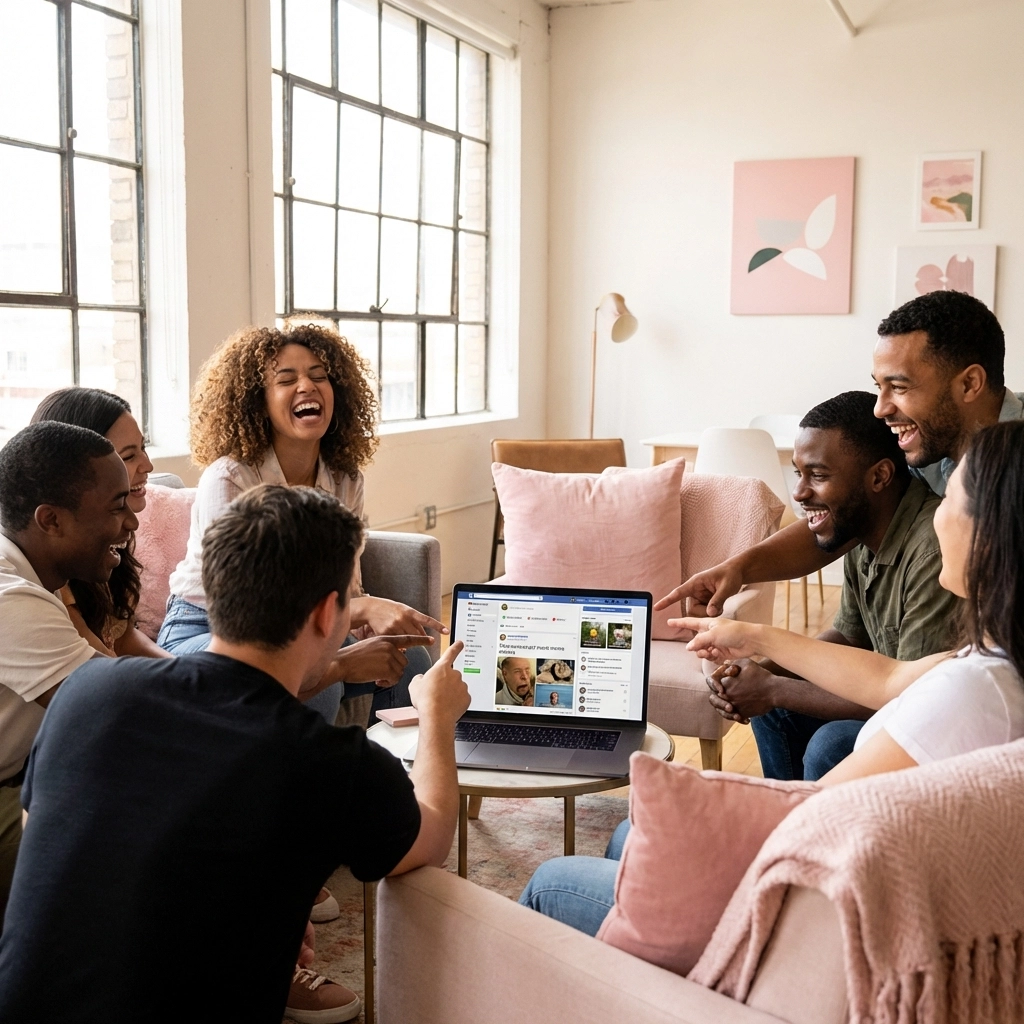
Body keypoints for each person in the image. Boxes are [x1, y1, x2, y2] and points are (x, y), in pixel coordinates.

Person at [520, 420, 1024, 936]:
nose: (935, 514)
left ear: (994, 531)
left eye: (950, 499)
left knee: (554, 878)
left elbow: (807, 817)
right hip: (843, 873)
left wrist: (687, 802)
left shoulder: (973, 692)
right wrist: (754, 639)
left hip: (803, 913)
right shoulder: (995, 665)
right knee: (629, 835)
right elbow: (889, 677)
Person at [0, 484, 470, 1024]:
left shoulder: (92, 690)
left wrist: (252, 906)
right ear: (326, 615)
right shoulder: (329, 760)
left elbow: (57, 841)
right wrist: (435, 717)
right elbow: (429, 839)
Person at [657, 291, 1022, 620]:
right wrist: (738, 568)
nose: (880, 409)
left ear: (969, 384)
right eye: (879, 386)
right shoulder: (929, 444)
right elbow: (847, 518)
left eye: (899, 387)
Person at [158, 323, 443, 730]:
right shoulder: (230, 478)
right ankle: (302, 790)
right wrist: (359, 617)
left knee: (409, 658)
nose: (307, 386)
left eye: (319, 376)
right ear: (258, 401)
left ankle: (385, 783)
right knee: (313, 673)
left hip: (310, 630)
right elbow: (253, 604)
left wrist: (368, 620)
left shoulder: (345, 477)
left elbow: (346, 584)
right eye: (286, 379)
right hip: (211, 629)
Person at [706, 392, 960, 781]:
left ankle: (820, 834)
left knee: (832, 742)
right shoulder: (860, 529)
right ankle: (786, 826)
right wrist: (757, 674)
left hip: (931, 731)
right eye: (799, 473)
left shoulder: (932, 552)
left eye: (818, 476)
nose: (799, 493)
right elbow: (848, 635)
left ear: (879, 477)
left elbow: (911, 702)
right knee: (773, 710)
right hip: (894, 697)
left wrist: (774, 687)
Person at [0, 422, 137, 911]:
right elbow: (117, 705)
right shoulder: (10, 598)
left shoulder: (37, 576)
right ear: (51, 520)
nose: (132, 523)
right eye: (117, 507)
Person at [31, 387, 170, 659]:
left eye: (143, 448)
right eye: (128, 457)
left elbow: (122, 637)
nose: (148, 465)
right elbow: (95, 673)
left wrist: (184, 673)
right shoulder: (51, 563)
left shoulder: (110, 534)